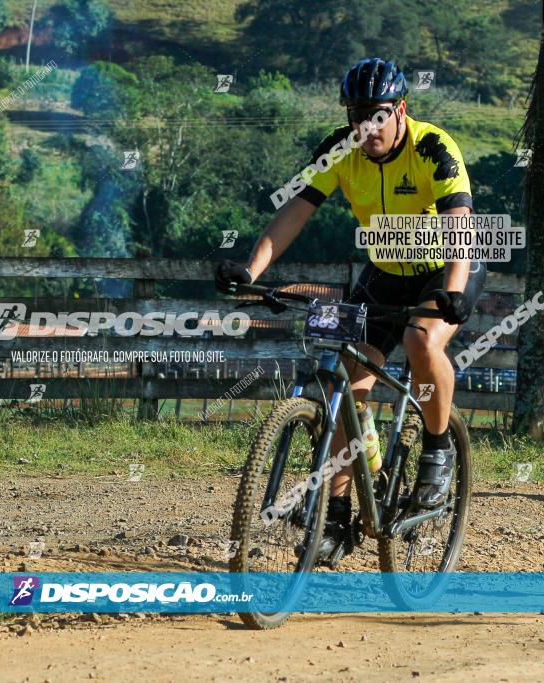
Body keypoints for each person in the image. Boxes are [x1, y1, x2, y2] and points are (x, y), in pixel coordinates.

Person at [215, 58, 486, 561]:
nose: (367, 127)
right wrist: (251, 272)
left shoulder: (433, 147)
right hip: (384, 272)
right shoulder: (339, 149)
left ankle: (437, 448)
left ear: (400, 110)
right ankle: (336, 518)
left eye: (378, 115)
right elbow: (293, 213)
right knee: (345, 382)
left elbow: (460, 226)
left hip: (446, 268)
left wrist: (452, 291)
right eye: (357, 115)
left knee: (419, 340)